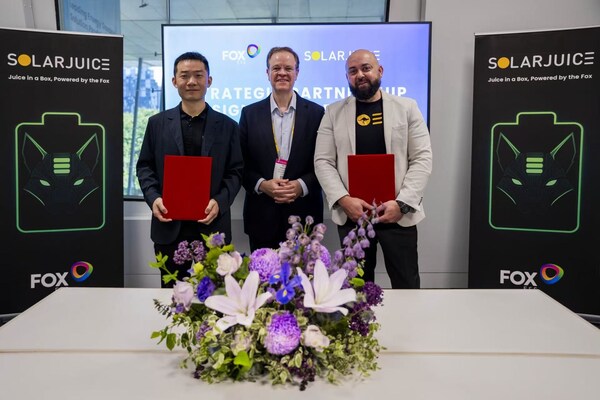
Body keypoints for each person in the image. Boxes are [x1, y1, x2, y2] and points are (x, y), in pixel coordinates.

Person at [314, 49, 432, 289]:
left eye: (366, 68)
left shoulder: (407, 107)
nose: (360, 75)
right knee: (356, 289)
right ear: (347, 77)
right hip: (353, 215)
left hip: (398, 214)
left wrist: (402, 204)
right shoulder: (333, 112)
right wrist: (344, 200)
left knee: (407, 285)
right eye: (353, 71)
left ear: (380, 71)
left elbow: (422, 157)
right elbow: (323, 161)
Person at [136, 51, 243, 287]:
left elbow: (236, 171)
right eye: (184, 76)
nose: (191, 81)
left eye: (198, 75)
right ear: (174, 81)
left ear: (209, 80)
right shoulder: (156, 124)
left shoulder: (228, 126)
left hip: (212, 227)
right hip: (169, 226)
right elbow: (145, 167)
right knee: (172, 296)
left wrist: (220, 202)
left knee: (215, 297)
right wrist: (154, 198)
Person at [239, 46, 325, 251]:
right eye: (276, 68)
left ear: (297, 72)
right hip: (262, 215)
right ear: (267, 72)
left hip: (305, 216)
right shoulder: (249, 114)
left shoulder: (317, 113)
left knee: (303, 272)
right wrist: (262, 184)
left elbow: (325, 162)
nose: (282, 73)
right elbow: (240, 163)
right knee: (263, 272)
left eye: (288, 68)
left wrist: (301, 185)